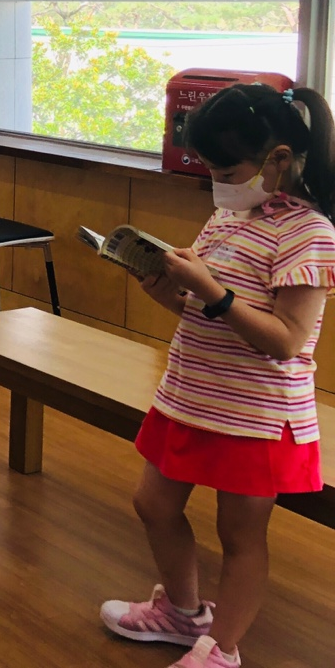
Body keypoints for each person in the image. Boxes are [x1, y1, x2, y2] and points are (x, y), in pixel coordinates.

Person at [100, 83, 335, 668]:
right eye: (209, 169)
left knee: (240, 535)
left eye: (226, 171)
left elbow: (286, 340)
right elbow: (206, 310)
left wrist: (212, 292)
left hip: (255, 411)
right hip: (192, 393)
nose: (217, 182)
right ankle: (183, 614)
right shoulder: (230, 215)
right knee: (153, 503)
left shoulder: (310, 233)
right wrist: (168, 294)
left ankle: (221, 649)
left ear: (279, 159)